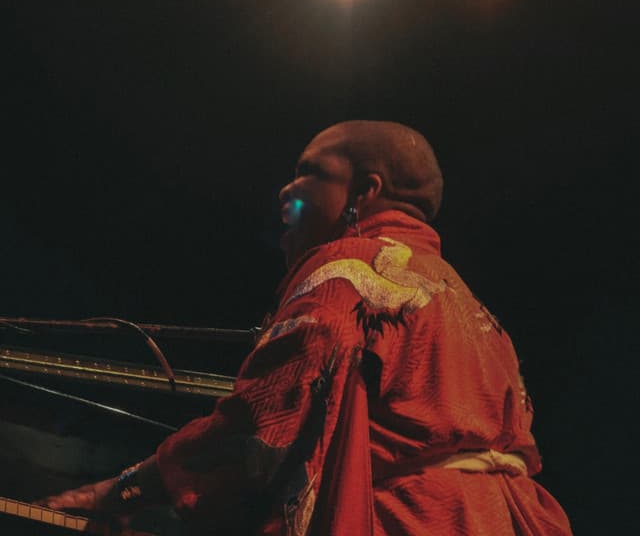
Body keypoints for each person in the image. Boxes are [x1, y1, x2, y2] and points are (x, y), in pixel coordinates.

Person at [40, 120, 572, 535]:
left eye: (309, 172)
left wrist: (120, 490)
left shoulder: (349, 270)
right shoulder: (469, 303)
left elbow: (260, 429)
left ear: (365, 192)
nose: (286, 189)